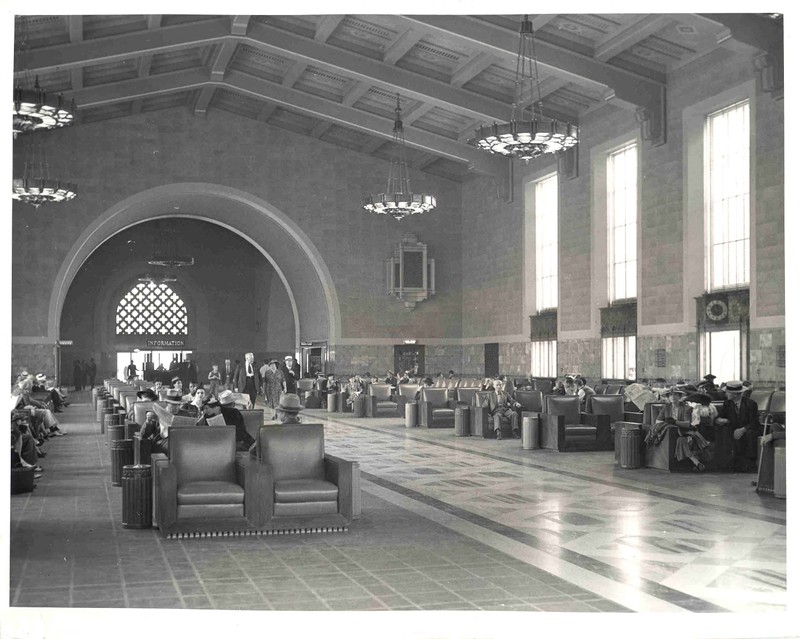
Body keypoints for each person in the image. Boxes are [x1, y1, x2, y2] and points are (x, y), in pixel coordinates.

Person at [716, 380, 761, 472]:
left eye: (728, 393)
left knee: (750, 434)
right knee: (723, 430)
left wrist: (743, 429)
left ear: (735, 394)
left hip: (748, 429)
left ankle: (749, 465)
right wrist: (719, 420)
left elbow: (754, 422)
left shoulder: (751, 404)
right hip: (733, 428)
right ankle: (726, 463)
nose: (726, 394)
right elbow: (719, 417)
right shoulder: (727, 403)